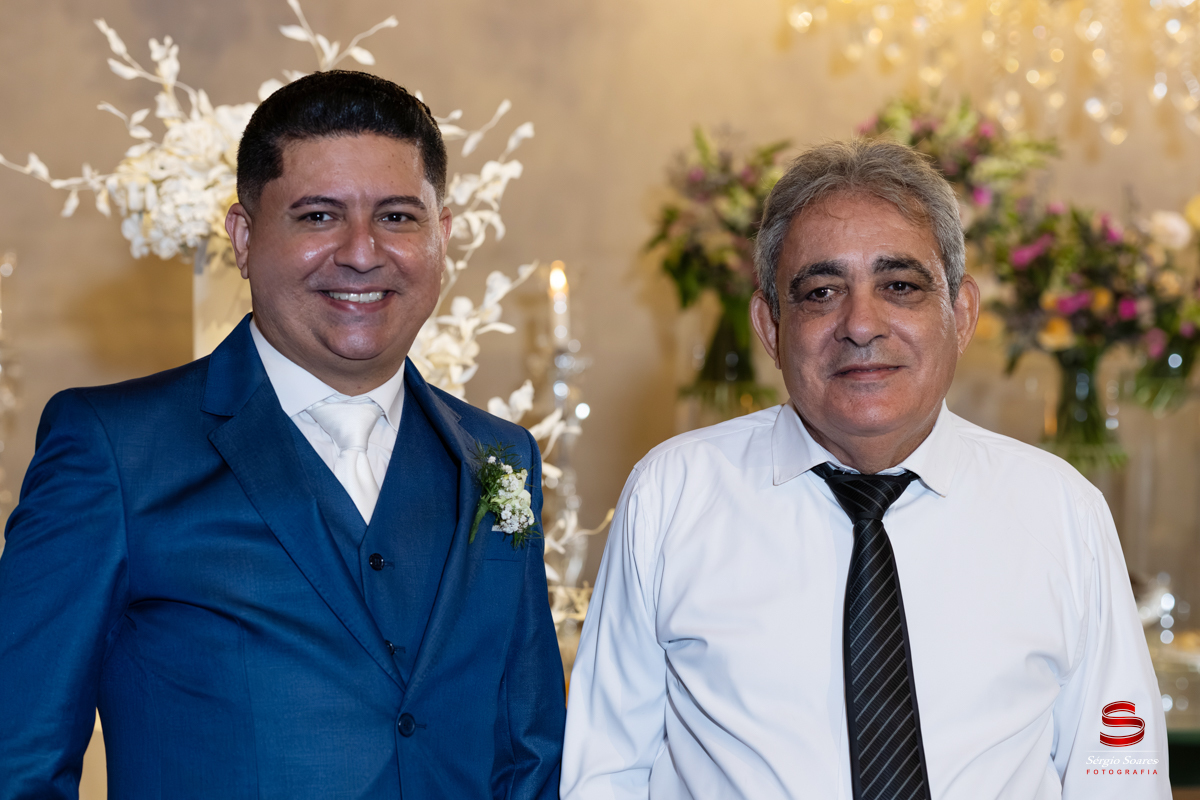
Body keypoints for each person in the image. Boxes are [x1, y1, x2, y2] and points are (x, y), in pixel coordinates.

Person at [0, 70, 564, 799]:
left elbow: (531, 755)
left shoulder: (500, 458)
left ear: (442, 236)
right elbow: (17, 762)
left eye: (397, 217)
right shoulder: (114, 451)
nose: (361, 252)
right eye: (318, 216)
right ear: (243, 237)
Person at [561, 138, 1168, 799]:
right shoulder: (672, 495)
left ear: (961, 314)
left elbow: (1120, 778)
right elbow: (604, 772)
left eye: (900, 286)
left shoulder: (1061, 511)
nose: (860, 324)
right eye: (821, 292)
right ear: (770, 327)